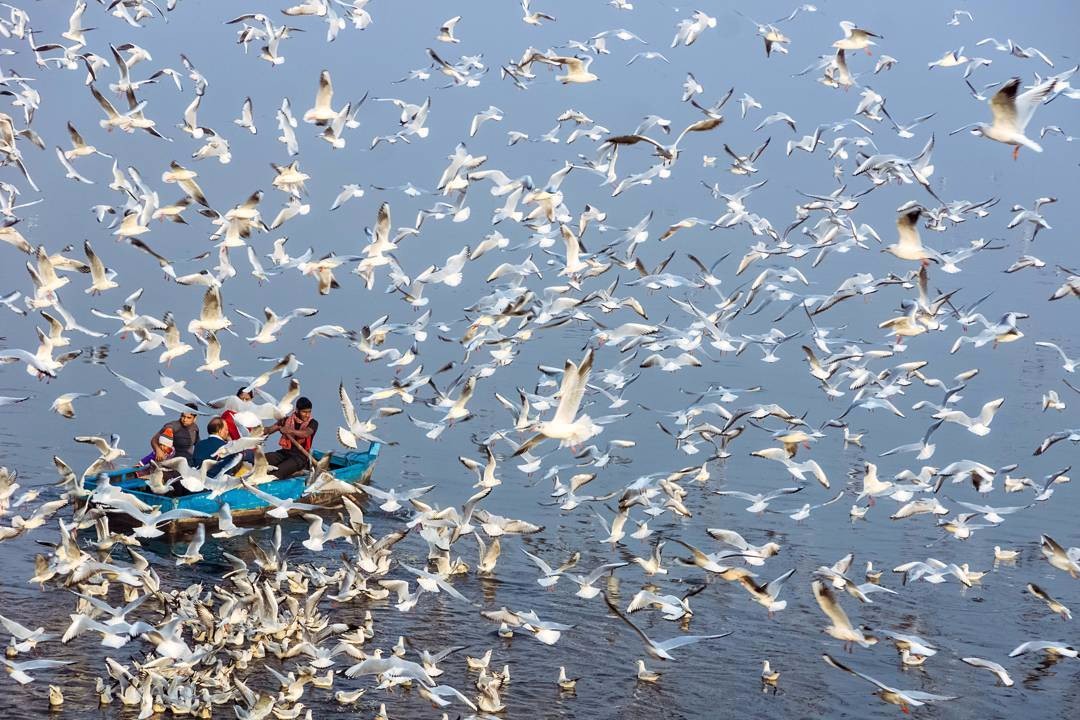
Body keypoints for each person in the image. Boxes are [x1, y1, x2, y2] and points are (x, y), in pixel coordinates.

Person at [264, 397, 318, 479]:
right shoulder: (286, 420)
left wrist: (290, 430)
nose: (307, 415)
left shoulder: (313, 423)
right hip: (284, 453)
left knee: (277, 473)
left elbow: (306, 433)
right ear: (297, 410)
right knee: (260, 460)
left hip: (300, 457)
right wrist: (256, 429)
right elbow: (269, 430)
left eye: (309, 412)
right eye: (304, 412)